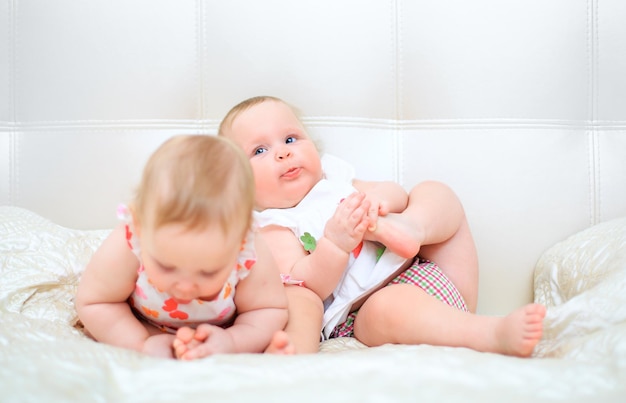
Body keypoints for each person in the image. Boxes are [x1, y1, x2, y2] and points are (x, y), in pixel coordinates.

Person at [218, 95, 546, 357]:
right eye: (260, 150)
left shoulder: (335, 179)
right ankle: (490, 333)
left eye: (291, 138)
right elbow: (307, 286)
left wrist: (380, 204)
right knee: (386, 305)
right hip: (367, 310)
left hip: (432, 270)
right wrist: (334, 243)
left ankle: (412, 228)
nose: (283, 153)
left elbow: (396, 193)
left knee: (434, 192)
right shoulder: (273, 226)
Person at [75, 134, 291, 360]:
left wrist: (234, 341)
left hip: (221, 332)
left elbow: (267, 310)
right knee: (98, 327)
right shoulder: (129, 242)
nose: (185, 288)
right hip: (139, 324)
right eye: (167, 267)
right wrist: (139, 343)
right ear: (139, 227)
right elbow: (96, 301)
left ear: (241, 241)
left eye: (208, 271)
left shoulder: (250, 252)